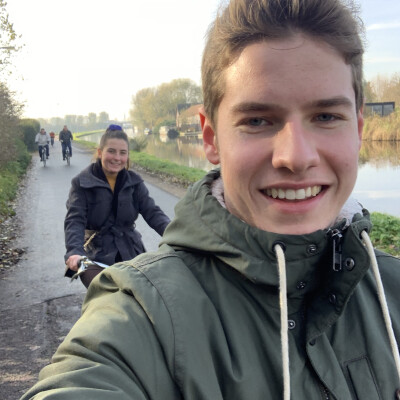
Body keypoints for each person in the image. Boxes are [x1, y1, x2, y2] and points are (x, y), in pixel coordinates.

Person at [21, 1, 400, 399]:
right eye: (257, 120)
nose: (296, 157)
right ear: (211, 138)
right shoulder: (142, 313)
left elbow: (151, 212)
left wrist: (175, 234)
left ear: (358, 129)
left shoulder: (391, 288)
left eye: (325, 117)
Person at [63, 124, 170, 288]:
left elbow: (153, 213)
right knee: (104, 297)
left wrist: (176, 235)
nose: (117, 158)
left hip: (130, 250)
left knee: (147, 294)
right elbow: (74, 220)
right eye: (111, 151)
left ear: (127, 156)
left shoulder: (134, 182)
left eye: (122, 153)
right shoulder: (81, 182)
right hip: (96, 254)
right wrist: (75, 251)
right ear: (100, 152)